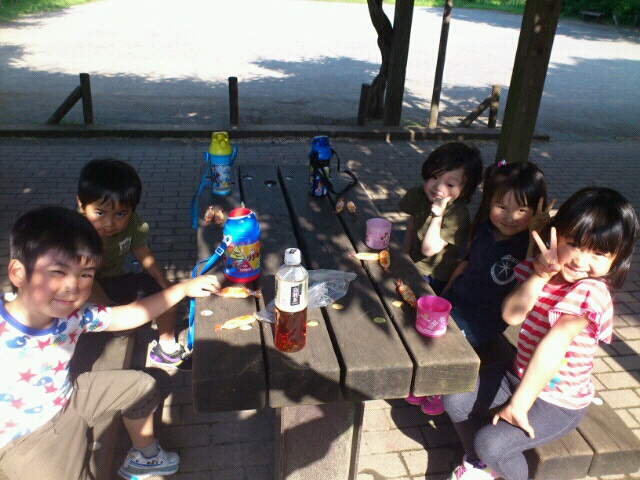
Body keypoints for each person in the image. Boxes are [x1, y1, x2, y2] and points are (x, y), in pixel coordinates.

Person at [0, 206, 221, 480]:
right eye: (58, 271)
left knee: (142, 387)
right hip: (26, 438)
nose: (73, 286)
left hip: (69, 397)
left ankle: (144, 457)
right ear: (18, 273)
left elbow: (129, 315)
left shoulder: (75, 316)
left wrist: (182, 289)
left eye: (85, 274)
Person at [442, 187, 639, 480]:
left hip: (557, 401)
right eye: (574, 244)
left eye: (598, 253)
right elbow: (511, 315)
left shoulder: (591, 290)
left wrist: (518, 405)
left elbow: (555, 343)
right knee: (454, 396)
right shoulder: (544, 272)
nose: (580, 260)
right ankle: (477, 464)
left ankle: (496, 464)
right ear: (557, 235)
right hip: (517, 374)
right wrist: (540, 275)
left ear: (617, 258)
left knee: (490, 443)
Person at [419, 161, 550, 416]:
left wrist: (536, 233)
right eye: (502, 207)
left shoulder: (527, 246)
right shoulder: (482, 229)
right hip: (457, 302)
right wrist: (443, 296)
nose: (510, 217)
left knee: (446, 340)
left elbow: (527, 276)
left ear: (535, 211)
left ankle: (440, 387)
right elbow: (464, 266)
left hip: (484, 319)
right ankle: (427, 374)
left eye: (522, 210)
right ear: (489, 202)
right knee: (424, 327)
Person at [77, 158, 188, 368]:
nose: (109, 223)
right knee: (89, 287)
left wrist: (163, 281)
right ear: (81, 205)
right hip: (84, 289)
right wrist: (95, 251)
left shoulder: (131, 224)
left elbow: (141, 251)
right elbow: (79, 277)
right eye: (100, 213)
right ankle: (112, 325)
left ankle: (165, 346)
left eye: (120, 214)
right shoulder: (75, 230)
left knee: (164, 294)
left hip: (116, 279)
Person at [399, 142, 484, 296]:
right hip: (414, 264)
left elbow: (428, 249)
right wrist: (405, 256)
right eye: (434, 176)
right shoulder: (419, 194)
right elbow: (412, 224)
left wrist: (437, 216)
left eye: (450, 184)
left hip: (435, 277)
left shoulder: (457, 215)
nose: (438, 186)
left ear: (465, 190)